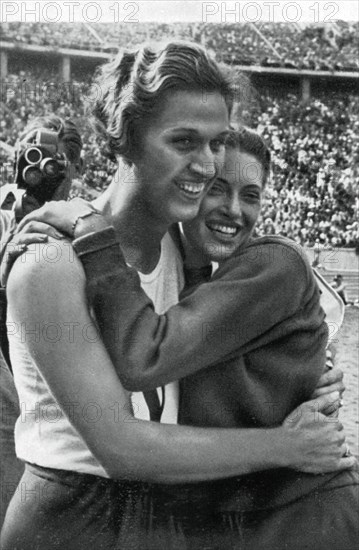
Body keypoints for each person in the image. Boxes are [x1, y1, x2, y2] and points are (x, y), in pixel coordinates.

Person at [5, 109, 356, 550]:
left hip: (297, 511)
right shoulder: (187, 268)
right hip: (218, 513)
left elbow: (144, 356)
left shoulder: (273, 264)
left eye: (251, 195)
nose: (233, 209)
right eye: (215, 190)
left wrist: (92, 232)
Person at [0, 115, 83, 529]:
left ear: (75, 169)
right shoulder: (3, 211)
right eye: (34, 162)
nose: (43, 174)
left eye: (56, 164)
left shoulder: (83, 219)